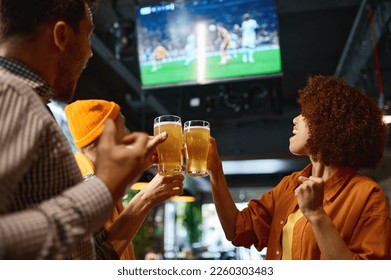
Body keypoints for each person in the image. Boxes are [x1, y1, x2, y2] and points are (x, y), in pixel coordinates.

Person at [0, 0, 165, 259]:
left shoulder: (29, 102)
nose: (90, 52)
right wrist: (104, 187)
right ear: (61, 35)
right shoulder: (11, 94)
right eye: (88, 35)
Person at [207, 75, 391, 259]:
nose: (295, 119)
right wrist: (215, 171)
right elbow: (237, 229)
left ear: (328, 124)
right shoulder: (289, 185)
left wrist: (316, 214)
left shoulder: (367, 194)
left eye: (306, 114)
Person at [65, 99, 184, 260]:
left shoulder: (85, 177)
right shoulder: (79, 187)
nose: (129, 133)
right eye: (124, 126)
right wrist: (145, 198)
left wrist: (133, 169)